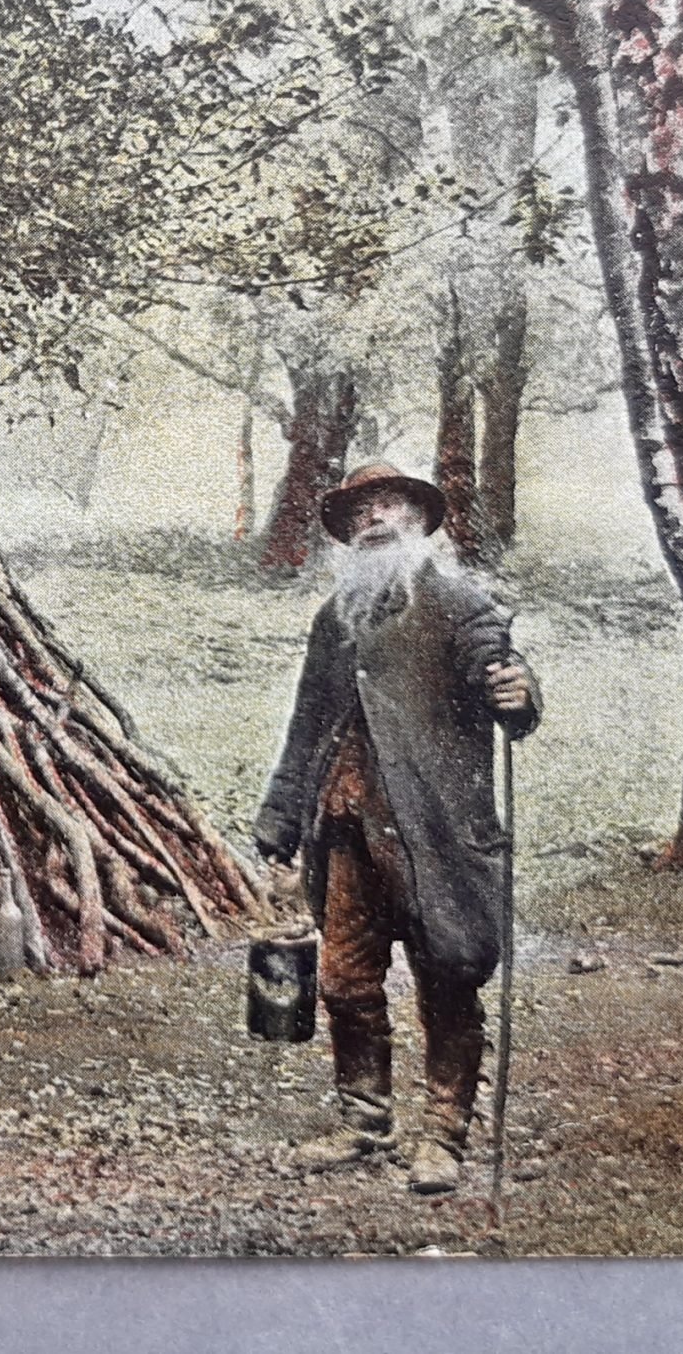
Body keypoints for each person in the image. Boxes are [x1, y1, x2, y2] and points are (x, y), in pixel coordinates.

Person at [251, 462, 539, 1195]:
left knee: (448, 977)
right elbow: (307, 725)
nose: (374, 516)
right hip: (344, 832)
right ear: (347, 531)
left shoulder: (460, 604)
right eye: (360, 510)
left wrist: (515, 691)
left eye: (389, 503)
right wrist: (281, 815)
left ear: (417, 518)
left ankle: (443, 1136)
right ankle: (364, 1123)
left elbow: (502, 680)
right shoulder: (335, 619)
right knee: (345, 982)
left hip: (435, 834)